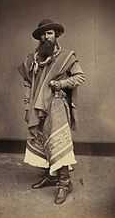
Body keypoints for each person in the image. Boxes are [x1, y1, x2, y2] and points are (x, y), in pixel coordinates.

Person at [18, 19, 85, 204]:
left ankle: (64, 183)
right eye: (42, 34)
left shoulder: (66, 57)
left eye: (49, 33)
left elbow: (80, 77)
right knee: (42, 139)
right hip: (37, 107)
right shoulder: (33, 59)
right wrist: (26, 106)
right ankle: (51, 176)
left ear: (56, 35)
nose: (45, 37)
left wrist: (61, 84)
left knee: (57, 141)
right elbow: (27, 82)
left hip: (56, 104)